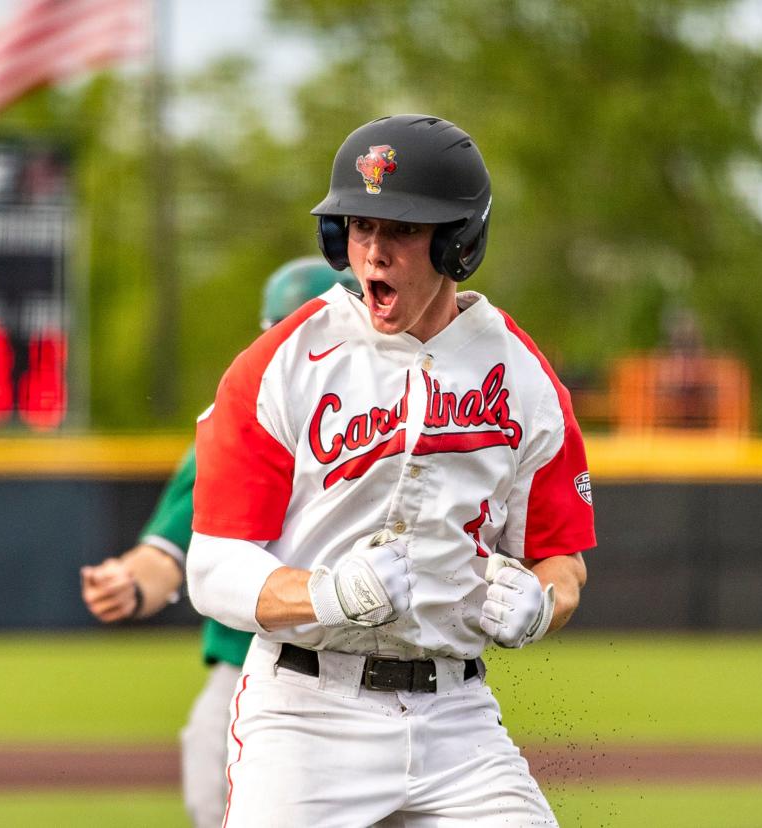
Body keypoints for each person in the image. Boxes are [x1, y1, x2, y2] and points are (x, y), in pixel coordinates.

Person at [188, 114, 595, 826]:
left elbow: (560, 559)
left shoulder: (524, 379)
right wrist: (325, 594)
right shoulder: (283, 363)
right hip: (306, 715)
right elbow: (214, 567)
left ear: (458, 243)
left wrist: (541, 603)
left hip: (456, 720)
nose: (374, 252)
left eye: (402, 231)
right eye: (359, 226)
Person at [80, 258, 359, 828]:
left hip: (391, 676)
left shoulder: (414, 415)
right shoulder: (243, 419)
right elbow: (170, 546)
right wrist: (132, 583)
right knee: (213, 792)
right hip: (256, 668)